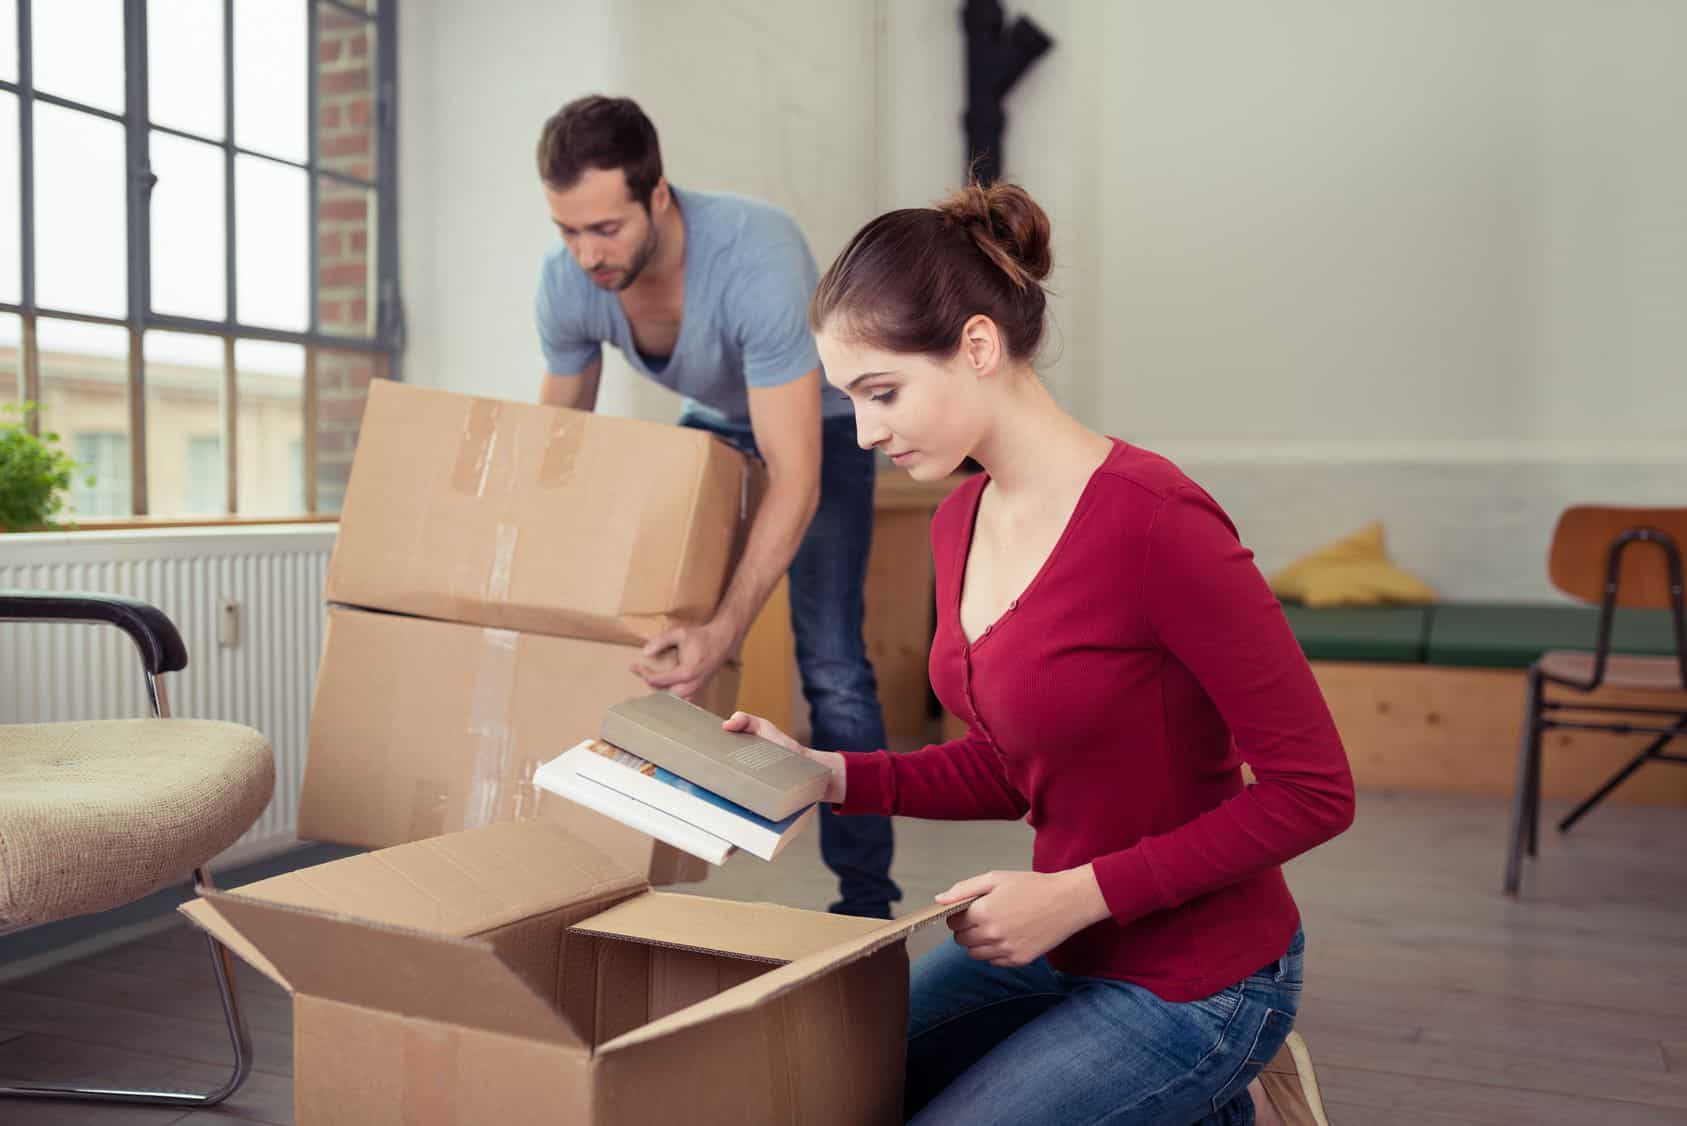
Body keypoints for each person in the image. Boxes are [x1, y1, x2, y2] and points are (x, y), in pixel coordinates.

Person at [724, 182, 1355, 1124]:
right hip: (1060, 951)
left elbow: (1316, 792)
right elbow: (1017, 762)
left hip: (1201, 983)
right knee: (814, 1082)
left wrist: (1075, 895)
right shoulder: (957, 521)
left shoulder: (1156, 523)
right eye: (850, 400)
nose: (863, 432)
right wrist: (827, 774)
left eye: (882, 391)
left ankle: (1213, 1088)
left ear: (976, 347)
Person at [533, 95, 899, 919]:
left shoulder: (756, 256)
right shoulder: (567, 283)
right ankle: (637, 854)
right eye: (567, 230)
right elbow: (553, 455)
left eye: (606, 228)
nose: (587, 254)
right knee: (653, 627)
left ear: (658, 197)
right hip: (714, 418)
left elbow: (792, 474)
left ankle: (865, 897)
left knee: (832, 661)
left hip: (822, 431)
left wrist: (726, 630)